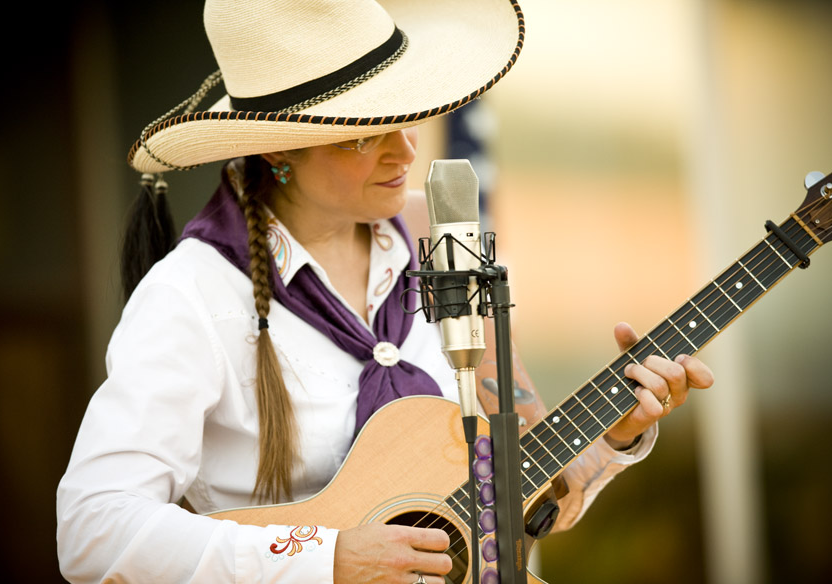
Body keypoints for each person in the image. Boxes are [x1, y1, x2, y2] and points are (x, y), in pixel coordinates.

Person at [56, 1, 714, 583]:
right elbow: (93, 529)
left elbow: (535, 502)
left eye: (409, 118)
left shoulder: (443, 256)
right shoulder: (191, 294)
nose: (406, 150)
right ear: (280, 150)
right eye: (367, 132)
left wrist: (619, 432)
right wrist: (329, 560)